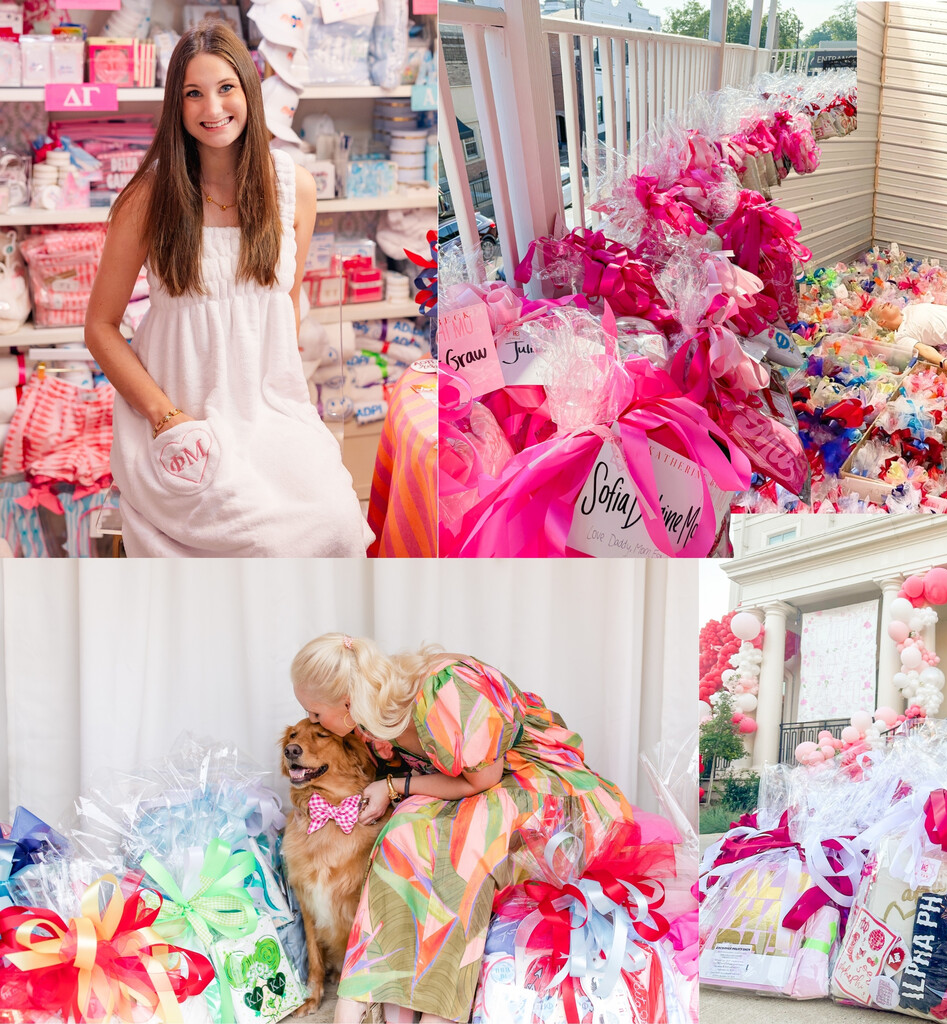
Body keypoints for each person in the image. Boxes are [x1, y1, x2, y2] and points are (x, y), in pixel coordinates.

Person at [83, 24, 369, 557]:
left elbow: (284, 305)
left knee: (338, 523)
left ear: (249, 92)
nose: (212, 108)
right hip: (180, 413)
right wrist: (164, 416)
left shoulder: (294, 188)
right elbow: (99, 326)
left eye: (226, 88)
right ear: (176, 105)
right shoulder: (149, 196)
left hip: (271, 409)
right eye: (193, 93)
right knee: (263, 543)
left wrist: (290, 404)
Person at [290, 633, 631, 1023]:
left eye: (315, 714)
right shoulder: (370, 718)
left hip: (537, 781)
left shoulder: (445, 688)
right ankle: (367, 997)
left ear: (347, 703)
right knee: (400, 833)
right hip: (469, 787)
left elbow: (481, 782)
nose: (313, 722)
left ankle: (439, 1010)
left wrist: (393, 787)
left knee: (463, 842)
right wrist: (391, 790)